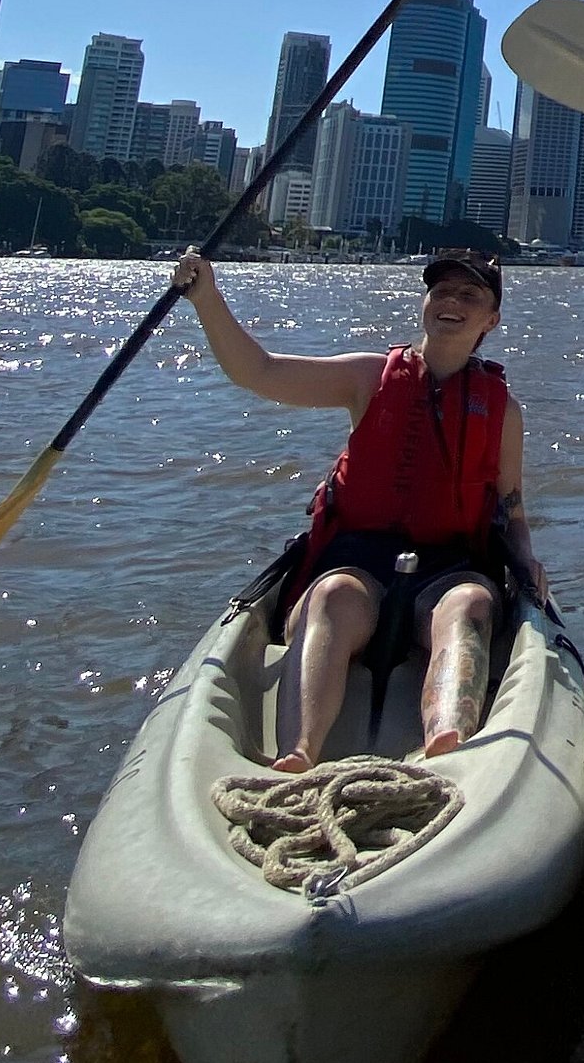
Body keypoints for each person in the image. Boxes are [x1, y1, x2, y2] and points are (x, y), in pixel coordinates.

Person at [171, 247, 548, 770]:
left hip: (451, 566)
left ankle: (447, 741)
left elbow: (511, 504)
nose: (451, 303)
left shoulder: (501, 408)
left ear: (491, 319)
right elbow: (259, 370)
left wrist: (526, 560)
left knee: (469, 607)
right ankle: (299, 751)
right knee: (330, 597)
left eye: (469, 295)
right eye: (440, 291)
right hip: (355, 560)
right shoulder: (369, 377)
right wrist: (207, 299)